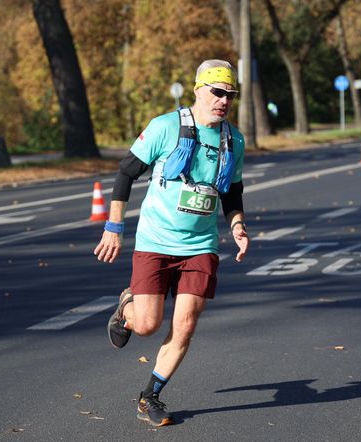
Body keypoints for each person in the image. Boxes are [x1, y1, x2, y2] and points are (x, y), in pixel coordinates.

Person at [93, 59, 250, 426]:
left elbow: (234, 191)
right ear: (198, 89)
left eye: (230, 95)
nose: (224, 100)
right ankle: (126, 307)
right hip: (156, 240)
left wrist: (238, 226)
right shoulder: (165, 127)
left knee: (186, 324)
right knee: (147, 325)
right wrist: (113, 226)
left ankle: (150, 396)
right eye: (217, 92)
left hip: (201, 245)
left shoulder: (234, 140)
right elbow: (125, 172)